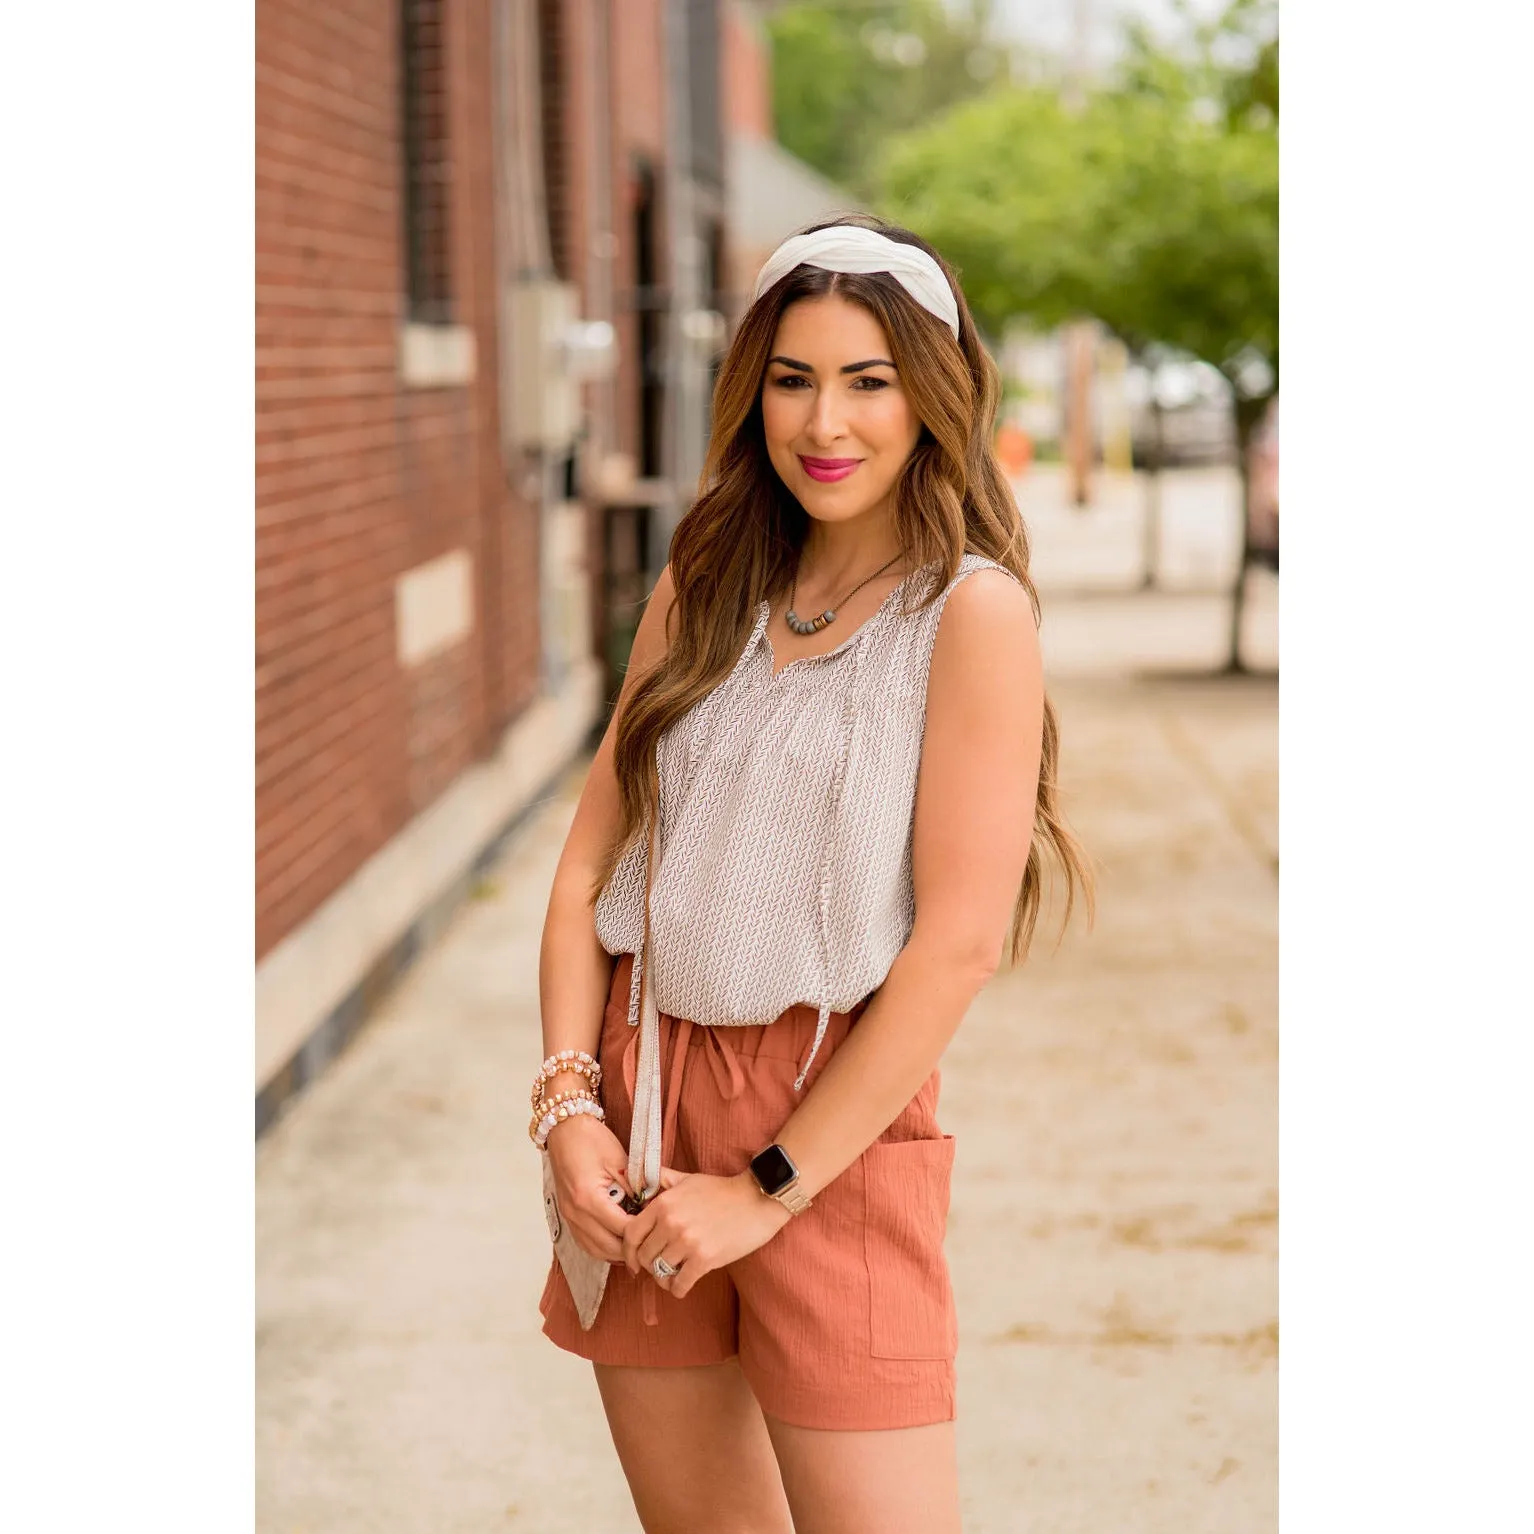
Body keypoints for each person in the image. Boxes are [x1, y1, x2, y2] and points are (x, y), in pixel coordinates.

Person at [533, 215, 1093, 1534]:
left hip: (830, 1121)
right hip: (644, 1103)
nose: (822, 420)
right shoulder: (703, 586)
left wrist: (766, 1186)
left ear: (931, 394)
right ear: (752, 394)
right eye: (792, 378)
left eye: (866, 380)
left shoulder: (968, 615)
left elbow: (957, 943)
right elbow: (580, 881)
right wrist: (568, 1108)